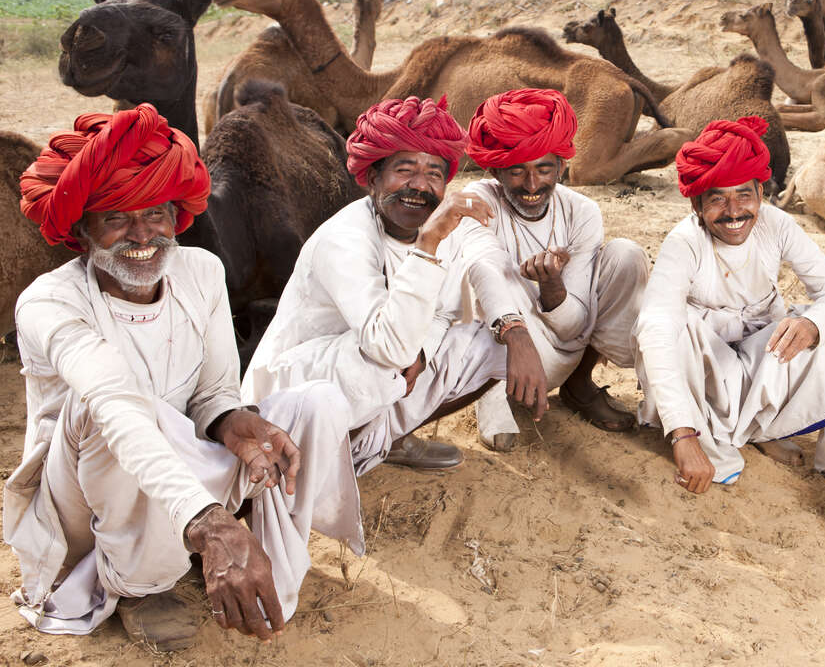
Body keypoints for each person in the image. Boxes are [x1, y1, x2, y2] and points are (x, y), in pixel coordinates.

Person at [6, 105, 362, 650]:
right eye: (116, 217)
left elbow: (215, 389)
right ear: (82, 230)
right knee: (105, 410)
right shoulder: (49, 303)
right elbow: (118, 406)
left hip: (174, 468)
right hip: (84, 497)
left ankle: (230, 543)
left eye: (156, 214)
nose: (142, 235)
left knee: (313, 402)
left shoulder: (199, 271)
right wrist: (208, 520)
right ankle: (141, 584)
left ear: (177, 216)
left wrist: (229, 421)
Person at [242, 96, 546, 473]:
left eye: (434, 173)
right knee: (384, 360)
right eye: (405, 170)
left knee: (489, 344)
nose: (419, 186)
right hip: (292, 398)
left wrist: (510, 332)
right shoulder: (346, 237)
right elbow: (387, 347)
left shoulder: (440, 224)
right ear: (373, 178)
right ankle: (310, 463)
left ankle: (387, 441)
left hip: (373, 378)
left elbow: (465, 287)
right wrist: (428, 245)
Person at [634, 117, 825, 498]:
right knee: (670, 331)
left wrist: (812, 325)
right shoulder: (684, 242)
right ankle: (705, 435)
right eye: (717, 199)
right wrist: (682, 435)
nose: (733, 212)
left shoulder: (777, 225)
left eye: (743, 195)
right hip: (709, 369)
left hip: (762, 355)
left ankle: (761, 430)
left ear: (760, 194)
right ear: (697, 204)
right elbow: (656, 327)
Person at [462, 88, 648, 450]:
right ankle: (492, 397)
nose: (532, 185)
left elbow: (574, 324)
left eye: (544, 169)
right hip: (502, 348)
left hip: (565, 345)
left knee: (626, 254)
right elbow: (481, 269)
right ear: (494, 169)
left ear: (562, 165)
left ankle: (579, 385)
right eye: (516, 171)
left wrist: (553, 287)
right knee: (488, 270)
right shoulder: (479, 198)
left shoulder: (581, 211)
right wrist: (515, 329)